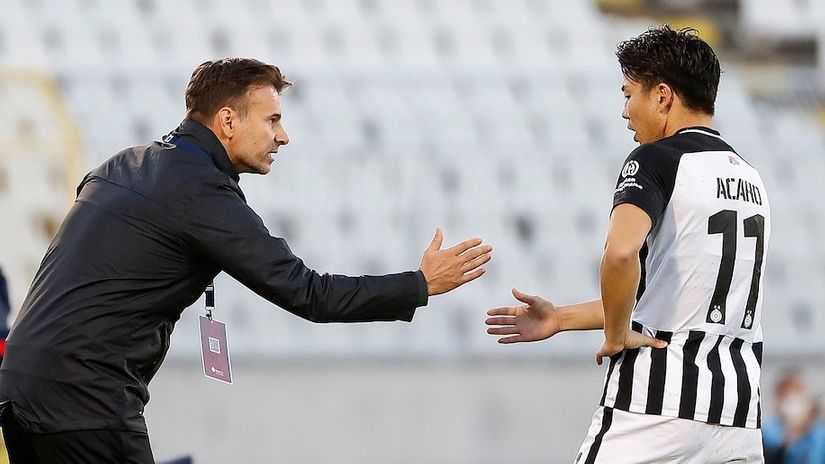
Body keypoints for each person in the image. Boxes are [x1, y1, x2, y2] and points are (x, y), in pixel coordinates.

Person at [0, 58, 492, 463]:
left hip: (20, 391)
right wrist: (418, 284)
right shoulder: (199, 192)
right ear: (228, 121)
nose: (284, 136)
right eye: (272, 120)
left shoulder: (122, 164)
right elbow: (309, 293)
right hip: (83, 402)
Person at [486, 26, 770, 463]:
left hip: (657, 405)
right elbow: (669, 297)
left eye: (628, 94)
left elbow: (620, 255)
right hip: (737, 412)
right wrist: (561, 318)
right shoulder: (750, 177)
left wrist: (615, 335)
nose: (624, 111)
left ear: (662, 96)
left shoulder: (656, 160)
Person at [763, 371, 825, 463]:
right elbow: (772, 456)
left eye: (797, 391)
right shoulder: (768, 429)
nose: (793, 399)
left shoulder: (818, 431)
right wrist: (794, 430)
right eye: (786, 393)